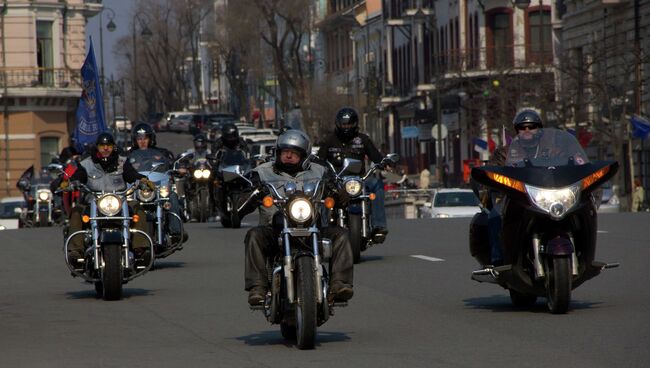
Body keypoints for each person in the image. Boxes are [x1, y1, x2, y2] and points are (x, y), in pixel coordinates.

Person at [244, 129, 354, 305]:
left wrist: (341, 194)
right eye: (285, 152)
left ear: (304, 156)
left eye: (294, 153)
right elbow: (244, 198)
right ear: (277, 152)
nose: (288, 156)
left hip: (313, 228)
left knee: (341, 235)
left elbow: (335, 190)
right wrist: (251, 194)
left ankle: (339, 284)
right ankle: (258, 287)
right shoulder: (262, 173)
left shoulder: (320, 171)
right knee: (254, 235)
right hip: (275, 229)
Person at [59, 132, 154, 269]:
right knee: (76, 212)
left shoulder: (122, 162)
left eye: (108, 145)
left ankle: (141, 248)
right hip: (94, 201)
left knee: (138, 208)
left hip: (119, 201)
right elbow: (78, 176)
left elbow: (131, 174)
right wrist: (70, 183)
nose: (105, 148)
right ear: (97, 147)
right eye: (102, 145)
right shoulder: (86, 164)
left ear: (113, 147)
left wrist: (142, 180)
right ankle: (76, 251)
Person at [317, 107, 389, 236]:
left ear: (355, 124)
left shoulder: (363, 140)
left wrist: (385, 163)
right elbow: (319, 160)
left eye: (349, 124)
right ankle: (322, 228)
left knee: (377, 185)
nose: (346, 127)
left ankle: (379, 225)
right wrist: (318, 167)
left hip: (359, 181)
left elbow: (376, 157)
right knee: (321, 192)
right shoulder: (329, 140)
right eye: (344, 124)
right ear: (338, 124)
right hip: (335, 183)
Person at [486, 109, 544, 266]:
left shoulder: (550, 150)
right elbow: (493, 170)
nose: (527, 130)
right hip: (515, 198)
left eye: (531, 126)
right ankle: (498, 260)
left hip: (545, 197)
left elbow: (569, 163)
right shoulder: (505, 152)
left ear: (539, 129)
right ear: (516, 130)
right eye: (522, 127)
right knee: (495, 216)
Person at [127, 123, 187, 243]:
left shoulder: (162, 153)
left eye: (145, 138)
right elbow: (118, 167)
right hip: (137, 188)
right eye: (139, 139)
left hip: (157, 186)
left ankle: (175, 231)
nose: (142, 141)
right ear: (135, 140)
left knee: (172, 196)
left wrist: (178, 168)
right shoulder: (128, 155)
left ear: (151, 139)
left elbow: (171, 164)